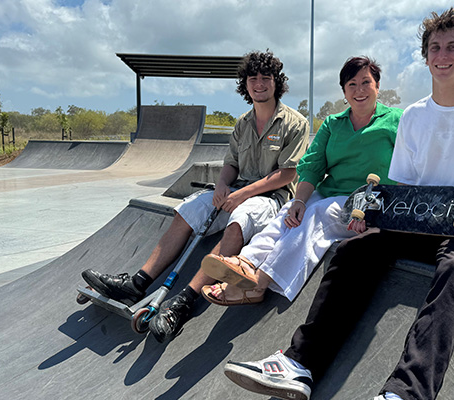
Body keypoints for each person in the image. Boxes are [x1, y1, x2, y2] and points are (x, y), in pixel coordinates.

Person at [222, 8, 454, 400]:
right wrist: (376, 218)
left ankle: (406, 392)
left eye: (453, 47)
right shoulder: (415, 117)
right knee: (355, 249)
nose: (443, 55)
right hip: (417, 225)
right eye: (435, 47)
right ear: (425, 57)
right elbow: (402, 187)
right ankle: (299, 364)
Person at [81, 50, 310, 343]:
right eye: (253, 79)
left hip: (270, 198)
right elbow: (231, 163)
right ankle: (138, 283)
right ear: (246, 84)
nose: (259, 84)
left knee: (239, 222)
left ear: (276, 83)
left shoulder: (295, 122)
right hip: (236, 189)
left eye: (266, 78)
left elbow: (287, 175)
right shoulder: (242, 123)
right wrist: (222, 186)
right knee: (188, 208)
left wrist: (242, 195)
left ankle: (183, 302)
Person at [198, 56, 403, 306]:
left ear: (377, 86)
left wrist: (378, 215)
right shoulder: (333, 123)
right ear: (344, 91)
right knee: (289, 213)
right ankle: (246, 261)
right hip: (330, 192)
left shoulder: (398, 120)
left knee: (317, 214)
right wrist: (299, 200)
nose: (359, 90)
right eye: (351, 84)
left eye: (365, 82)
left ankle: (259, 283)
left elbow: (413, 170)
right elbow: (313, 167)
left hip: (368, 201)